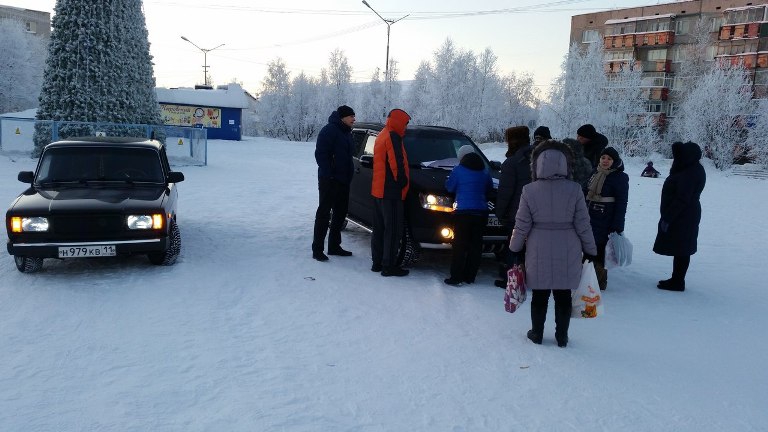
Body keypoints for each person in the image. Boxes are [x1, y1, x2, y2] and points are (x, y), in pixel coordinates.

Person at [509, 140, 597, 348]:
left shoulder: (529, 190)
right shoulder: (574, 189)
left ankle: (537, 333)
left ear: (537, 165)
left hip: (538, 244)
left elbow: (521, 224)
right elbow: (583, 224)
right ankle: (562, 336)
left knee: (539, 294)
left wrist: (514, 248)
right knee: (563, 294)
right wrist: (591, 250)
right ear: (566, 165)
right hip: (568, 244)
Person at [653, 141, 706, 292]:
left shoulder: (691, 172)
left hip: (683, 215)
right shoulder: (690, 168)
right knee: (681, 247)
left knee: (683, 248)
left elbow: (682, 198)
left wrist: (668, 217)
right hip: (685, 213)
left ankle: (678, 281)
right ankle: (677, 279)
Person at [444, 145, 494, 285]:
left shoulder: (458, 170)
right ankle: (470, 277)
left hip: (463, 213)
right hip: (480, 213)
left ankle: (456, 277)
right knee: (475, 246)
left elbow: (450, 187)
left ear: (461, 157)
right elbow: (489, 187)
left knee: (459, 245)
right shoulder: (484, 171)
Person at [312, 105, 356, 261]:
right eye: (351, 116)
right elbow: (320, 154)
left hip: (343, 180)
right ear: (342, 117)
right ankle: (317, 250)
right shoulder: (329, 130)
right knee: (324, 214)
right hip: (329, 180)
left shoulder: (347, 133)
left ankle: (334, 246)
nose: (354, 119)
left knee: (340, 214)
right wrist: (330, 174)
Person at [371, 108, 411, 277]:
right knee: (393, 230)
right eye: (406, 124)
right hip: (391, 192)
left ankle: (377, 262)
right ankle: (389, 266)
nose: (406, 127)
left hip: (378, 190)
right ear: (399, 122)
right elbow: (397, 163)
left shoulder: (382, 134)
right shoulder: (393, 136)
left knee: (379, 229)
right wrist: (403, 182)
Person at [494, 126, 534, 288]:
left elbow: (505, 192)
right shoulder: (538, 158)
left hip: (518, 213)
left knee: (514, 247)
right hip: (539, 211)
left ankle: (511, 281)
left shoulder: (512, 163)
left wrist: (499, 213)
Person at [585, 147, 629, 290]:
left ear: (614, 162)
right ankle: (586, 277)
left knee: (600, 249)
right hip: (590, 216)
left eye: (609, 159)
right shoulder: (594, 172)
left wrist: (617, 225)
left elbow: (622, 202)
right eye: (603, 157)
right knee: (588, 247)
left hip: (606, 218)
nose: (605, 161)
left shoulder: (620, 177)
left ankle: (599, 281)